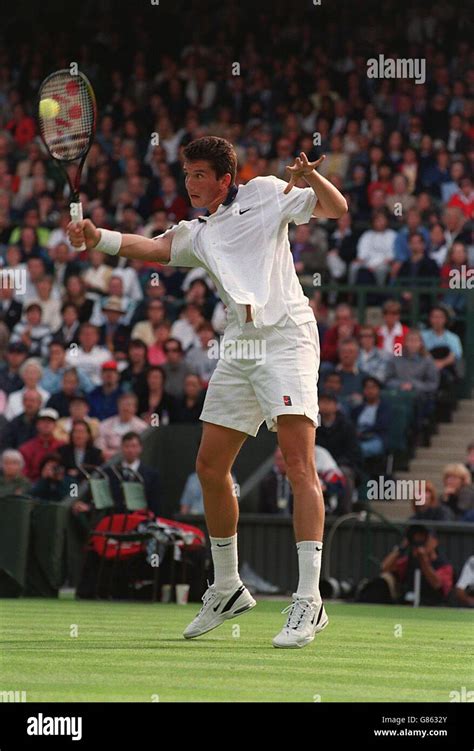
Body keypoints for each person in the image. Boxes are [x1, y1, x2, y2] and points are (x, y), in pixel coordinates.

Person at [69, 135, 348, 648]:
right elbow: (151, 247)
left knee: (298, 464)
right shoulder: (198, 233)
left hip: (286, 339)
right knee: (210, 466)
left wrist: (311, 178)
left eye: (200, 174)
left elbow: (337, 208)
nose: (190, 183)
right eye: (187, 174)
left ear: (225, 178)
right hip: (239, 347)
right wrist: (97, 237)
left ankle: (310, 598)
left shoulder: (267, 192)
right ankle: (226, 587)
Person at [362, 525, 454, 606]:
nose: (420, 541)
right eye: (417, 538)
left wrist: (424, 561)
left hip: (433, 606)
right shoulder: (408, 562)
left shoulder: (443, 565)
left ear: (434, 541)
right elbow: (384, 568)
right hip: (407, 602)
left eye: (424, 538)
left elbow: (437, 584)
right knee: (381, 583)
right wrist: (401, 548)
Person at [104, 431, 161, 515]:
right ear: (121, 448)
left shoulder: (152, 474)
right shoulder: (110, 472)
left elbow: (155, 503)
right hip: (116, 520)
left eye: (134, 446)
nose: (130, 450)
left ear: (140, 448)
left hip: (142, 521)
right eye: (127, 446)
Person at [96, 393, 148, 461]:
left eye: (129, 405)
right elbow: (99, 445)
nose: (126, 408)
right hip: (107, 461)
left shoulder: (143, 427)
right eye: (123, 405)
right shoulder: (105, 424)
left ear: (135, 408)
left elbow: (141, 449)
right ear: (118, 406)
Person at [19, 408, 65, 482]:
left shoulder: (63, 446)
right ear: (37, 424)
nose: (46, 424)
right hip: (33, 486)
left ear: (55, 425)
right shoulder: (26, 448)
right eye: (43, 421)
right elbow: (24, 473)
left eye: (50, 422)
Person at [351, 376, 391, 459]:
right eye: (367, 388)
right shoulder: (358, 408)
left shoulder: (384, 407)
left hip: (376, 438)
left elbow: (382, 425)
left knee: (358, 450)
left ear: (379, 390)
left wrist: (364, 432)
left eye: (373, 387)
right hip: (357, 438)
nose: (370, 391)